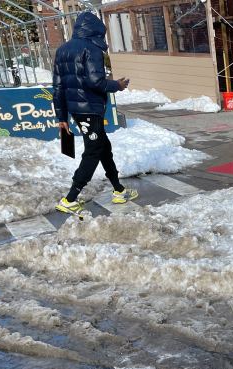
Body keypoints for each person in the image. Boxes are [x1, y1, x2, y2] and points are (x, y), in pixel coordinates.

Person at [53, 11, 137, 216]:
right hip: (90, 109)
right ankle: (70, 198)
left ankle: (119, 190)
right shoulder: (91, 49)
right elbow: (95, 81)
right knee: (93, 151)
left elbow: (57, 87)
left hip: (76, 110)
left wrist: (61, 117)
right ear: (96, 31)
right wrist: (117, 85)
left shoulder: (62, 50)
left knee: (103, 148)